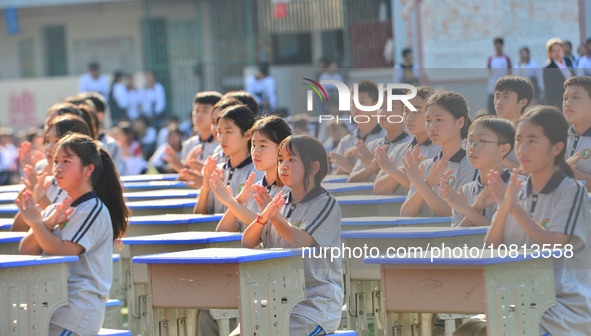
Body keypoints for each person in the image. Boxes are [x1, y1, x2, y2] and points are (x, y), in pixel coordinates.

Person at [483, 106, 591, 335]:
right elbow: (490, 250)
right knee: (469, 329)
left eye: (532, 141)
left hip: (561, 308)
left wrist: (514, 209)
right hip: (517, 301)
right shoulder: (516, 191)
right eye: (519, 140)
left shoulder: (571, 191)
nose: (522, 149)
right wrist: (503, 209)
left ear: (556, 148)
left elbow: (553, 246)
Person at [18, 133, 129, 336]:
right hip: (52, 307)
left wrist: (36, 223)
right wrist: (45, 223)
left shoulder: (92, 208)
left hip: (75, 312)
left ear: (88, 169)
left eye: (66, 161)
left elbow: (65, 251)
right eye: (56, 161)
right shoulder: (57, 208)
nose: (57, 168)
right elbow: (26, 249)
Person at [197, 116, 291, 336]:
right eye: (254, 145)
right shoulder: (256, 185)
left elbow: (267, 229)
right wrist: (237, 201)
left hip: (279, 279)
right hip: (252, 276)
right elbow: (223, 231)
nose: (255, 151)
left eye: (263, 146)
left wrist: (229, 202)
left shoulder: (289, 187)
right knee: (205, 312)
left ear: (283, 148)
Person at [240, 135, 343, 336]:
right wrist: (263, 218)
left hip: (314, 305)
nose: (283, 166)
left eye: (292, 160)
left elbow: (299, 240)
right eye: (280, 160)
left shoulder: (325, 204)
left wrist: (275, 215)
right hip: (276, 301)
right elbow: (248, 242)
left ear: (314, 167)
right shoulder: (278, 201)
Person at [400, 90, 477, 217]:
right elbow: (405, 214)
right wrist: (427, 184)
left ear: (460, 122)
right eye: (428, 120)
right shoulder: (426, 165)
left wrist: (423, 185)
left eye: (439, 119)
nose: (432, 126)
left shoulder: (472, 164)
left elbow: (456, 215)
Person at [12, 115, 91, 232]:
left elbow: (63, 232)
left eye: (58, 141)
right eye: (47, 141)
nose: (49, 147)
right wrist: (33, 183)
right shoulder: (45, 173)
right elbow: (18, 229)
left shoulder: (84, 184)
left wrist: (41, 197)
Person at [441, 116, 519, 226]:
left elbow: (509, 238)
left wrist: (468, 211)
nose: (472, 147)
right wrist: (476, 208)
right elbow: (456, 239)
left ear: (504, 149)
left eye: (481, 140)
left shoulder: (518, 187)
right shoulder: (465, 191)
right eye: (470, 141)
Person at [194, 105, 262, 214]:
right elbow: (199, 216)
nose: (222, 138)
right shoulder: (217, 170)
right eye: (219, 132)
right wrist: (205, 188)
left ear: (248, 134)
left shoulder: (257, 172)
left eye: (229, 132)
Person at [374, 86, 440, 195]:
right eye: (406, 111)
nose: (409, 117)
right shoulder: (400, 149)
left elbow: (425, 190)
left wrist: (394, 170)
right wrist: (401, 170)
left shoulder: (439, 149)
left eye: (417, 111)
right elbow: (378, 189)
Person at [348, 87, 411, 182]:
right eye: (381, 107)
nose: (382, 112)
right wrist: (371, 167)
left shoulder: (410, 147)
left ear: (405, 112)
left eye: (390, 108)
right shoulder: (373, 145)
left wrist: (375, 166)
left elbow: (405, 183)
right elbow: (351, 181)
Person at [329, 80, 385, 174]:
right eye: (353, 103)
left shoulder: (386, 137)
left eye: (362, 102)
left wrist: (351, 169)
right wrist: (344, 165)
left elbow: (389, 180)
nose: (356, 107)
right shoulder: (346, 141)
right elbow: (333, 178)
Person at [165, 91, 222, 173]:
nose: (198, 115)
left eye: (205, 111)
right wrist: (180, 168)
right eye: (196, 110)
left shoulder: (222, 144)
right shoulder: (189, 144)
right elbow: (186, 179)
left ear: (217, 113)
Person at [493, 75, 534, 170]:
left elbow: (532, 173)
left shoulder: (530, 133)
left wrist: (497, 157)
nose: (499, 102)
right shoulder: (489, 130)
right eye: (497, 96)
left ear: (523, 102)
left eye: (506, 97)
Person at [563, 76, 591, 189]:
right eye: (565, 98)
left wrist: (566, 171)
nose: (568, 103)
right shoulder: (558, 138)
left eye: (576, 97)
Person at [543, 38, 574, 109]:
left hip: (572, 96)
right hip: (559, 100)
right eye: (554, 51)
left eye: (559, 50)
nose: (557, 53)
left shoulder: (568, 61)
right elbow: (549, 90)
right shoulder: (548, 68)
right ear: (550, 53)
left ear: (562, 50)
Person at [487, 37, 512, 114]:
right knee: (491, 107)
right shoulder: (491, 58)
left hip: (503, 87)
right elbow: (490, 71)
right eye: (496, 45)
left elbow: (510, 72)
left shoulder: (506, 58)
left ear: (502, 45)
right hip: (492, 88)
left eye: (499, 45)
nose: (497, 47)